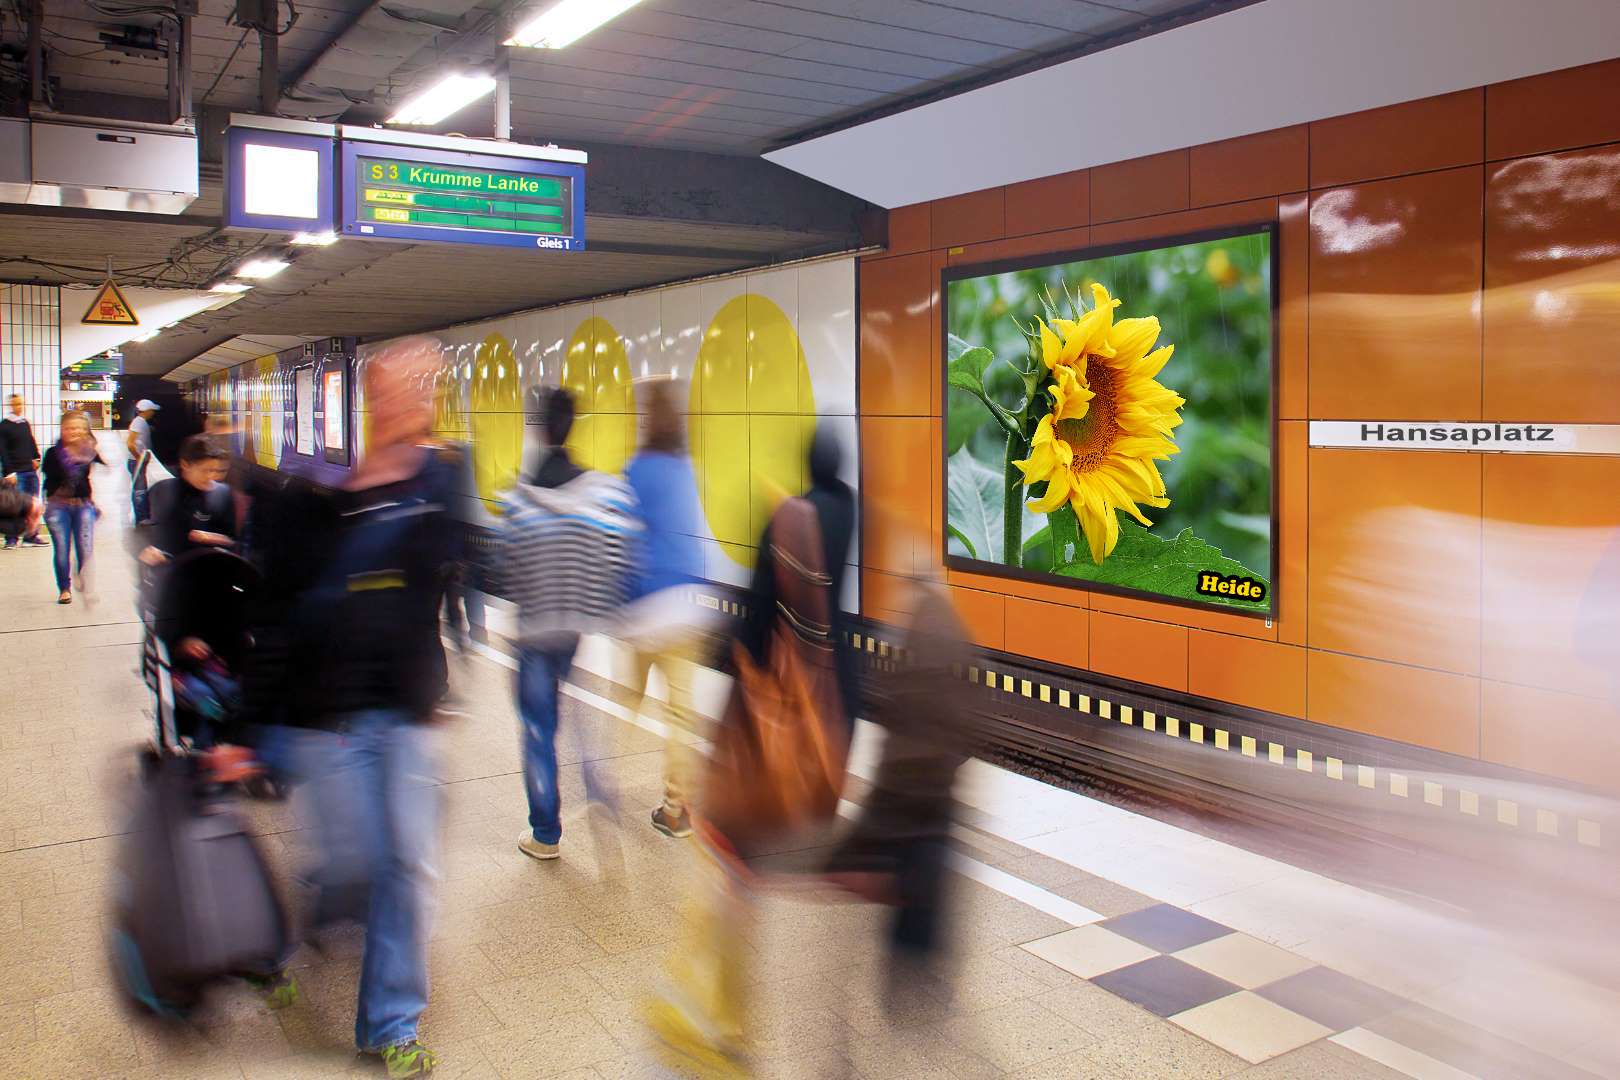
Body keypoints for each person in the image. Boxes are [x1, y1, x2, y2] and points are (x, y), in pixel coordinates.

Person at [646, 423, 857, 1074]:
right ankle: (720, 1009)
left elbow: (756, 618)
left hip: (768, 717)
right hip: (826, 700)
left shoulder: (787, 520)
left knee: (732, 861)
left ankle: (726, 1019)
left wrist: (737, 689)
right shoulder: (848, 511)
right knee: (743, 866)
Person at [283, 339, 457, 1079]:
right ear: (368, 398)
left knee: (407, 864)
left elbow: (441, 575)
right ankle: (313, 920)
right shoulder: (329, 491)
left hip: (406, 708)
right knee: (353, 862)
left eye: (423, 386)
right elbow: (300, 604)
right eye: (396, 386)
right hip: (337, 711)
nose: (410, 399)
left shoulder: (442, 478)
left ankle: (389, 1022)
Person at [499, 386, 640, 863]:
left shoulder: (520, 499)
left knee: (539, 728)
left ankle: (545, 832)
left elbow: (506, 567)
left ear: (539, 429)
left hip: (534, 629)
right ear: (573, 425)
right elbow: (619, 552)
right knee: (574, 713)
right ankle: (598, 793)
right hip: (573, 628)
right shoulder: (599, 490)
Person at [621, 380, 709, 839]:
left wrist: (621, 603)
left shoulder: (637, 469)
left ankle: (603, 786)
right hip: (687, 607)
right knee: (681, 715)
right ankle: (677, 810)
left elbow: (625, 540)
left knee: (627, 699)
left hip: (648, 606)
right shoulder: (684, 468)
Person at [139, 435, 235, 567]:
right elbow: (156, 537)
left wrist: (211, 538)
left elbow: (232, 540)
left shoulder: (222, 494)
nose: (211, 477)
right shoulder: (162, 491)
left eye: (216, 471)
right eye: (205, 470)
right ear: (185, 464)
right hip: (171, 575)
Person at [41, 411, 105, 605]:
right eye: (69, 428)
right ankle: (64, 588)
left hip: (83, 505)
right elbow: (49, 481)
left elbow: (86, 480)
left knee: (85, 549)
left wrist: (91, 501)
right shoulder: (53, 453)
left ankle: (82, 578)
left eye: (78, 428)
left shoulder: (89, 451)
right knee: (62, 549)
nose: (74, 432)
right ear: (62, 430)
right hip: (58, 508)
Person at [0, 394, 47, 547]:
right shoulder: (5, 425)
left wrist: (37, 458)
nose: (19, 407)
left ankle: (31, 536)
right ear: (10, 405)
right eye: (16, 404)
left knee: (33, 505)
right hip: (15, 473)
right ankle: (11, 539)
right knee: (14, 507)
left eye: (21, 404)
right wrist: (9, 472)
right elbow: (3, 450)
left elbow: (31, 442)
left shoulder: (24, 423)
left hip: (29, 471)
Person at [126, 398, 160, 525]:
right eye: (151, 410)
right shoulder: (138, 423)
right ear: (146, 411)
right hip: (136, 462)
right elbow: (130, 443)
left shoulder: (141, 422)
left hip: (138, 461)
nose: (153, 413)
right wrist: (138, 457)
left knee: (141, 488)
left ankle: (144, 516)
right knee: (140, 489)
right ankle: (142, 518)